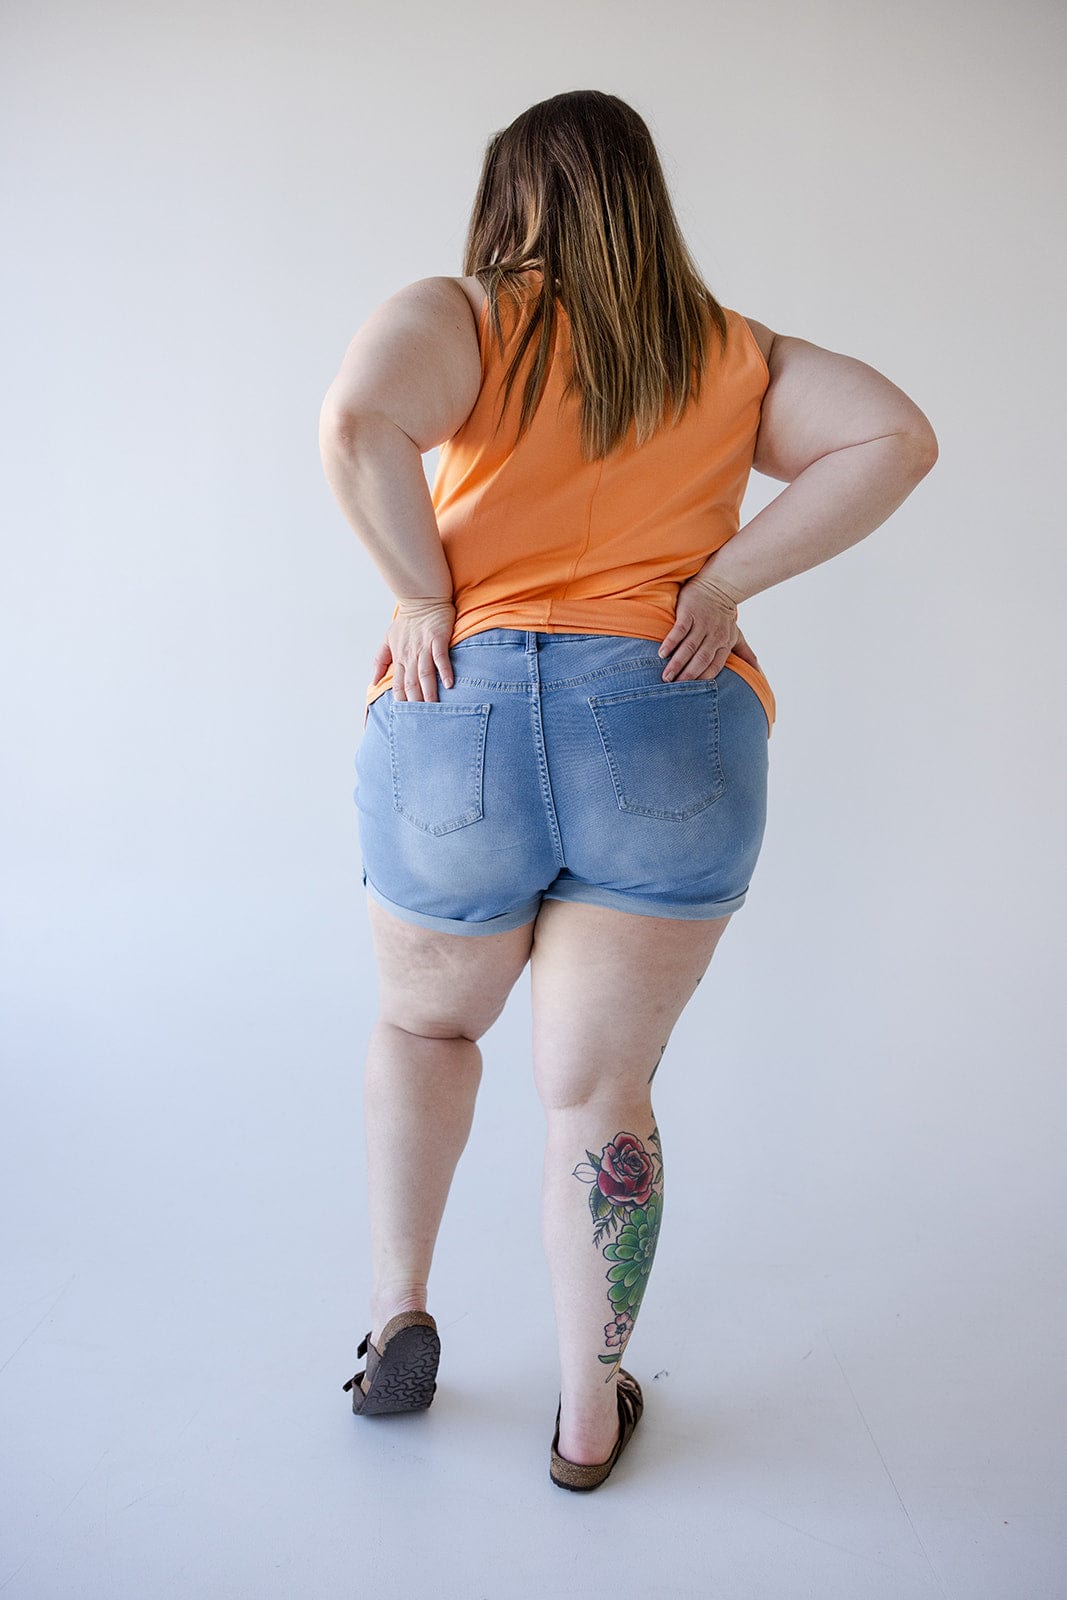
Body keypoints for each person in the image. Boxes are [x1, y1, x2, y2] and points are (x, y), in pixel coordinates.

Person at [318, 89, 938, 1491]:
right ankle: (589, 1416)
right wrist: (719, 583)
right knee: (601, 1094)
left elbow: (358, 421)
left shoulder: (466, 315)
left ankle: (398, 1315)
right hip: (669, 711)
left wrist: (423, 593)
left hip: (457, 714)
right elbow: (896, 436)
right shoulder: (730, 350)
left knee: (425, 1027)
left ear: (510, 197)